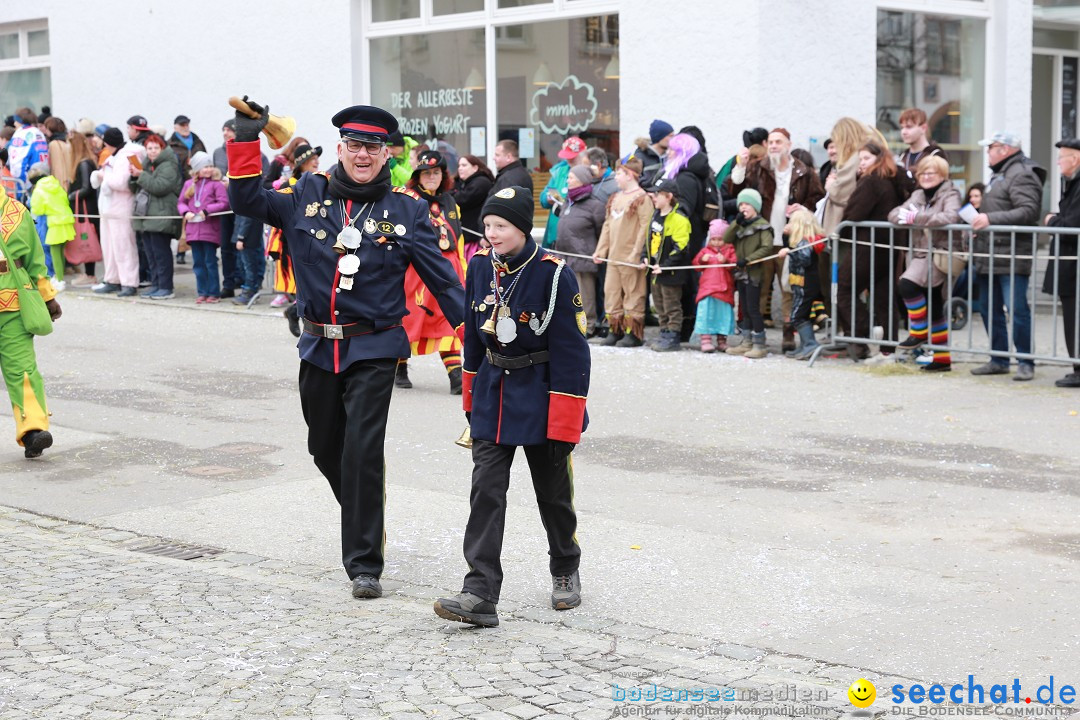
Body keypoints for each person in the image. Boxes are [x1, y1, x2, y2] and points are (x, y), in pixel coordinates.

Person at [225, 99, 465, 600]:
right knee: (323, 448)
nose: (362, 155)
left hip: (374, 347)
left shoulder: (408, 210)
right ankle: (363, 511)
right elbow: (247, 200)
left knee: (362, 451)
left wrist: (479, 338)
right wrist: (245, 140)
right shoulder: (303, 195)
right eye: (354, 145)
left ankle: (364, 563)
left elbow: (444, 283)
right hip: (317, 345)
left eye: (372, 147)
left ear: (386, 155)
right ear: (340, 148)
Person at [433, 186, 590, 628]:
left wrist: (565, 425)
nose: (491, 234)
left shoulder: (554, 274)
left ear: (522, 227)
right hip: (492, 394)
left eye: (500, 226)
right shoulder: (480, 265)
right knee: (486, 492)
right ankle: (479, 592)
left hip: (542, 397)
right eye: (487, 225)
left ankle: (564, 567)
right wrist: (469, 398)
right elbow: (471, 336)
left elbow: (572, 353)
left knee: (553, 495)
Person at [729, 128, 825, 348]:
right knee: (758, 288)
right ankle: (755, 337)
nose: (773, 146)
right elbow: (736, 190)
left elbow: (817, 199)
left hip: (790, 241)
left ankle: (788, 335)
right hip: (761, 238)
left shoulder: (804, 171)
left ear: (788, 144)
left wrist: (803, 209)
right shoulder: (758, 168)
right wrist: (741, 167)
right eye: (770, 142)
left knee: (790, 289)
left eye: (778, 142)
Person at [969, 132, 1045, 381]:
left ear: (1004, 149)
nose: (988, 153)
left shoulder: (1021, 173)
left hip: (1012, 254)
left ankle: (1025, 361)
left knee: (1017, 309)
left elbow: (1029, 211)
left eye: (990, 148)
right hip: (991, 252)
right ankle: (999, 359)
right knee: (989, 309)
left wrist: (989, 219)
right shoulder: (1001, 174)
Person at [397, 149, 467, 393]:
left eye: (436, 172)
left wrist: (463, 269)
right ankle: (400, 366)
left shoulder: (450, 202)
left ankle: (456, 375)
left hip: (449, 269)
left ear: (442, 175)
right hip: (417, 269)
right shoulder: (408, 199)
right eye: (426, 173)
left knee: (450, 318)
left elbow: (458, 238)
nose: (431, 177)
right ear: (418, 176)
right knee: (409, 318)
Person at [0, 184, 62, 459]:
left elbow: (36, 260)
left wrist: (48, 297)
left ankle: (33, 431)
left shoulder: (17, 211)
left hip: (14, 304)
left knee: (23, 370)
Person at [887, 155, 961, 372]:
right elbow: (894, 214)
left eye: (932, 173)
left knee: (907, 285)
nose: (927, 177)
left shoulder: (951, 193)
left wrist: (917, 218)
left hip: (941, 254)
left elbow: (950, 217)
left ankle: (919, 332)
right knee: (935, 305)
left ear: (942, 175)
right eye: (923, 173)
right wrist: (907, 217)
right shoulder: (918, 194)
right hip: (921, 254)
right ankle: (942, 359)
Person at [835, 138, 909, 354]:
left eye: (866, 158)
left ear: (878, 158)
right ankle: (888, 347)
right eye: (861, 159)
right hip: (890, 246)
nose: (863, 163)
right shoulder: (892, 179)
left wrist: (841, 231)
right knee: (884, 297)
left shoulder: (871, 181)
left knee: (844, 290)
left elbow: (854, 212)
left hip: (867, 246)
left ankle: (862, 333)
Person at [593, 155, 653, 347]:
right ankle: (615, 328)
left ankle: (632, 331)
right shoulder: (616, 197)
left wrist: (637, 252)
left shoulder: (642, 199)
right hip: (614, 256)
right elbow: (607, 226)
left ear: (629, 175)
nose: (616, 177)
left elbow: (645, 227)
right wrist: (601, 250)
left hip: (630, 256)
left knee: (633, 292)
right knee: (611, 292)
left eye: (619, 173)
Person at [214, 119, 270, 299]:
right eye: (223, 130)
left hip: (246, 206)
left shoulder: (258, 155)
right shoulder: (218, 152)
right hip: (225, 205)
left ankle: (253, 284)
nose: (225, 133)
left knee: (249, 245)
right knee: (228, 246)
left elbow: (262, 181)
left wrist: (235, 185)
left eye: (229, 130)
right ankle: (231, 283)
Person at [1044, 138, 1080, 388]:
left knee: (1074, 318)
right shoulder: (1071, 184)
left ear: (1075, 159)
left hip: (1074, 264)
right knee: (1071, 316)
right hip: (1070, 263)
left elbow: (1071, 224)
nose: (1058, 163)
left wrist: (1051, 222)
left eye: (1061, 158)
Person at [91, 128, 143, 297]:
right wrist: (101, 175)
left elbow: (124, 182)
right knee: (110, 246)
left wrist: (104, 178)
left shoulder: (130, 155)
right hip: (109, 208)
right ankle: (112, 279)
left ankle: (129, 282)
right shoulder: (114, 155)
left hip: (122, 207)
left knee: (124, 246)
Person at [642, 178, 692, 352]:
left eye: (657, 194)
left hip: (669, 273)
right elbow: (648, 240)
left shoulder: (679, 219)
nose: (653, 197)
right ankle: (663, 332)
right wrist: (645, 257)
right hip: (655, 271)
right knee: (660, 305)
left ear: (669, 196)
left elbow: (681, 248)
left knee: (672, 306)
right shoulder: (656, 215)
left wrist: (665, 265)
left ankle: (672, 336)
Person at [130, 134, 182, 300]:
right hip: (148, 215)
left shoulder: (168, 165)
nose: (152, 152)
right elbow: (135, 188)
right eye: (149, 148)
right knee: (151, 253)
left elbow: (160, 186)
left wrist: (141, 176)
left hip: (162, 215)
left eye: (155, 148)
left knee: (161, 254)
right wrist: (134, 176)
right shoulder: (147, 165)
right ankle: (156, 285)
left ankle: (166, 287)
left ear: (162, 148)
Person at [724, 189, 774, 359]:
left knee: (753, 308)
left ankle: (759, 342)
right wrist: (736, 223)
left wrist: (749, 259)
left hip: (755, 272)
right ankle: (746, 341)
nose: (743, 207)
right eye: (741, 205)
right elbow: (726, 238)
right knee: (744, 308)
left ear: (755, 207)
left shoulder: (763, 226)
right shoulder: (740, 225)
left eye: (746, 204)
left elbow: (766, 247)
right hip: (741, 273)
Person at [178, 151, 229, 303]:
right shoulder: (189, 184)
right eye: (204, 166)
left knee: (210, 262)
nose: (208, 169)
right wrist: (185, 212)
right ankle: (202, 291)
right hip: (193, 231)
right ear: (197, 169)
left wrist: (208, 210)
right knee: (198, 263)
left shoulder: (216, 184)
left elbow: (223, 202)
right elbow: (181, 202)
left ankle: (214, 292)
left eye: (210, 166)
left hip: (210, 230)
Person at [778, 209, 828, 360]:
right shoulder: (803, 241)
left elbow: (804, 258)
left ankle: (810, 344)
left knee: (797, 316)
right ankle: (805, 344)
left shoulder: (804, 241)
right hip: (802, 284)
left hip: (805, 284)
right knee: (803, 315)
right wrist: (787, 241)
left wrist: (789, 252)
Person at [28, 162, 75, 291]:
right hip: (66, 221)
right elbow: (65, 199)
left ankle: (58, 280)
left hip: (53, 223)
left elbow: (37, 208)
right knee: (60, 252)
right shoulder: (56, 184)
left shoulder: (39, 189)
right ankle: (59, 278)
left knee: (53, 253)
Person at [692, 219, 736, 352]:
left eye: (720, 239)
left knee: (723, 315)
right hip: (707, 289)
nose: (716, 242)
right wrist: (701, 260)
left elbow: (735, 264)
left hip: (724, 290)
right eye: (713, 239)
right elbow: (695, 266)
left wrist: (726, 261)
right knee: (705, 314)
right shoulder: (705, 251)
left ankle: (722, 340)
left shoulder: (730, 250)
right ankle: (705, 340)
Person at [66, 131, 101, 286]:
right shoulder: (84, 162)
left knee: (88, 239)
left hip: (86, 209)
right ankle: (88, 273)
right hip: (85, 208)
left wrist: (70, 196)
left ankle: (90, 274)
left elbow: (87, 188)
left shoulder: (84, 163)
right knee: (87, 239)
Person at [540, 136, 586, 248]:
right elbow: (544, 197)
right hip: (555, 234)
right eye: (567, 157)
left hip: (576, 236)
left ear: (583, 155)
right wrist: (548, 198)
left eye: (573, 157)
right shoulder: (559, 171)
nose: (569, 160)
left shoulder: (588, 173)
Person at [451, 154, 494, 260]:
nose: (460, 168)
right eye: (459, 165)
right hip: (466, 237)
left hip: (476, 239)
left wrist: (451, 193)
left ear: (475, 167)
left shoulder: (481, 182)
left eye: (464, 165)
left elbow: (461, 199)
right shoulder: (462, 183)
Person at [896, 108, 948, 189]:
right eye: (902, 127)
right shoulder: (902, 157)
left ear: (923, 128)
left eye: (909, 127)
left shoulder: (935, 154)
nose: (903, 132)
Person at [6, 108, 49, 201]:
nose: (14, 124)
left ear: (20, 121)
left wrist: (21, 185)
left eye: (16, 121)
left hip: (27, 183)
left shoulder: (21, 134)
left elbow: (17, 164)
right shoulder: (38, 133)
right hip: (42, 180)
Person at [635, 119, 674, 187]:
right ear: (659, 137)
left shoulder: (670, 156)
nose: (673, 139)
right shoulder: (639, 156)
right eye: (670, 136)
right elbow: (634, 180)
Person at [43, 117, 73, 192]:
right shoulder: (68, 141)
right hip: (71, 180)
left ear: (50, 129)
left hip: (61, 184)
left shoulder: (54, 144)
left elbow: (58, 167)